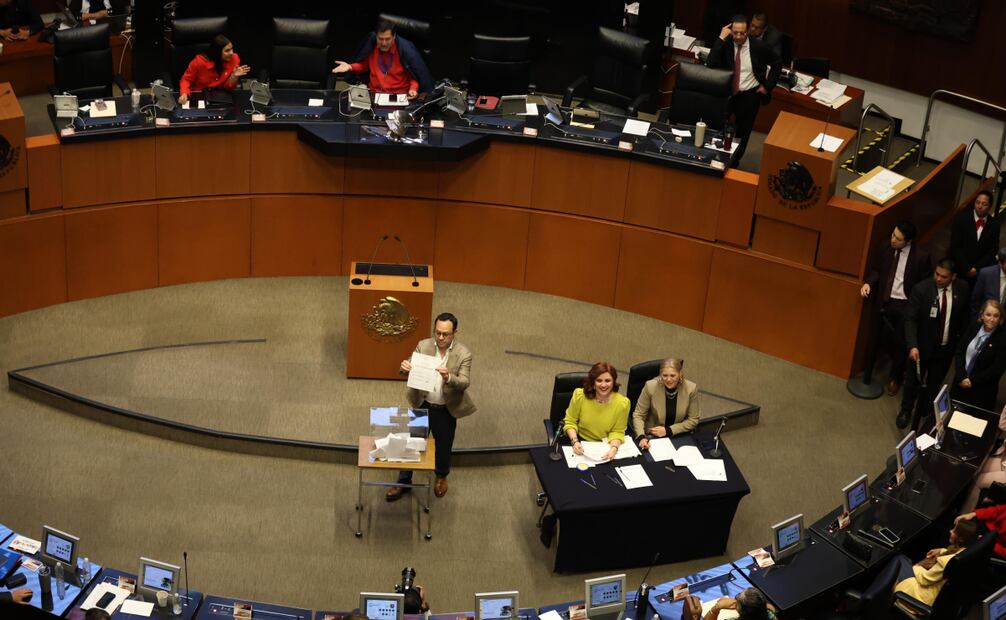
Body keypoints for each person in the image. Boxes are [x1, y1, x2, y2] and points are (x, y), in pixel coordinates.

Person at [389, 312, 475, 501]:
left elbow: (464, 382)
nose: (441, 338)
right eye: (438, 333)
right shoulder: (423, 345)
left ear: (455, 333)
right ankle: (404, 480)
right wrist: (404, 367)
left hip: (445, 409)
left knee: (444, 447)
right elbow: (408, 368)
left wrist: (448, 377)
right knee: (413, 443)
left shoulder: (464, 354)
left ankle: (441, 477)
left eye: (446, 334)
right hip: (423, 404)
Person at [899, 258, 970, 430]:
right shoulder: (921, 289)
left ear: (953, 277)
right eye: (936, 274)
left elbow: (963, 317)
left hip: (945, 349)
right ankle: (906, 410)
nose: (938, 278)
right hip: (920, 348)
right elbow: (910, 319)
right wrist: (912, 345)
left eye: (944, 276)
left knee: (934, 382)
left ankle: (925, 410)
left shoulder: (963, 288)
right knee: (912, 382)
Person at [860, 221, 930, 395]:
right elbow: (877, 269)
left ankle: (895, 378)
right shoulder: (886, 247)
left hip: (905, 303)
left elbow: (924, 285)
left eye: (898, 239)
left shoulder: (921, 257)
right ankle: (869, 373)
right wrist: (868, 283)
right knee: (878, 337)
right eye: (893, 235)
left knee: (900, 343)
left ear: (908, 241)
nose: (893, 240)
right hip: (884, 300)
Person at [706, 14, 781, 166]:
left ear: (748, 31)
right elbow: (711, 64)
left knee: (743, 132)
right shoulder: (726, 43)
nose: (739, 37)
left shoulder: (758, 46)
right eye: (735, 33)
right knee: (718, 126)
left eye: (742, 33)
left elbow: (777, 62)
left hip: (749, 95)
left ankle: (734, 163)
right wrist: (721, 37)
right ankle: (714, 158)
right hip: (727, 93)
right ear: (730, 31)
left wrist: (767, 86)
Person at [861, 520, 979, 608]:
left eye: (954, 531)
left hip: (922, 597)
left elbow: (924, 579)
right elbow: (954, 554)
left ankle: (869, 599)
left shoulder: (946, 562)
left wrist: (917, 567)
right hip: (943, 598)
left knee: (898, 560)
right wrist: (941, 551)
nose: (950, 531)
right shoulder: (970, 552)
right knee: (904, 560)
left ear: (961, 539)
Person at [331, 18, 434, 99]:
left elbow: (414, 76)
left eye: (387, 39)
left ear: (394, 37)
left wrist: (413, 89)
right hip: (374, 94)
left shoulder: (404, 51)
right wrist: (350, 67)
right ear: (376, 36)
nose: (384, 43)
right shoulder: (371, 45)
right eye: (380, 39)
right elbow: (365, 66)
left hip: (398, 96)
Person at [563, 362, 631, 461]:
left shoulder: (622, 404)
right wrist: (575, 441)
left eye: (607, 380)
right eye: (599, 380)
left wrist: (614, 448)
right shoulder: (580, 396)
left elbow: (617, 431)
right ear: (593, 382)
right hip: (579, 441)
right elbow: (570, 422)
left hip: (605, 445)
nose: (603, 385)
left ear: (613, 382)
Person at [951, 299, 1006, 411]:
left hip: (981, 391)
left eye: (996, 316)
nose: (991, 319)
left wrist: (971, 380)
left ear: (1000, 318)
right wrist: (961, 376)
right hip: (960, 382)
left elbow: (996, 370)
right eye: (988, 314)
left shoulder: (1003, 339)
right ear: (982, 315)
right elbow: (960, 351)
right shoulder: (974, 327)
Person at [632, 358, 700, 448]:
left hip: (678, 435)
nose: (668, 379)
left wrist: (669, 430)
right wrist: (641, 437)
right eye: (665, 375)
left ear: (680, 374)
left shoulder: (691, 389)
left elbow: (693, 419)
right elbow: (638, 415)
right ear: (660, 375)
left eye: (672, 376)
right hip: (652, 437)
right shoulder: (650, 387)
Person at [177, 35, 250, 106]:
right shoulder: (199, 62)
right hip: (200, 95)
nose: (231, 53)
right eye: (227, 51)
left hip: (221, 96)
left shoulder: (234, 59)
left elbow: (228, 88)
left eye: (232, 49)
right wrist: (184, 93)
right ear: (217, 52)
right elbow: (186, 80)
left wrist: (234, 76)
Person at [960, 404, 1006, 512]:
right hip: (1004, 457)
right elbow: (1002, 424)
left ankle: (964, 516)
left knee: (978, 480)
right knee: (977, 468)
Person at [949, 190, 998, 288]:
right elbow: (955, 246)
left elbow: (993, 249)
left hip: (980, 272)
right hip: (960, 269)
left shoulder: (994, 224)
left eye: (984, 204)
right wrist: (967, 268)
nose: (980, 206)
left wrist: (976, 268)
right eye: (978, 202)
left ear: (990, 206)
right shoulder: (961, 219)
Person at [970, 248, 1006, 319]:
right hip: (986, 321)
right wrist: (977, 320)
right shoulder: (986, 274)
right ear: (1000, 263)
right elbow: (975, 301)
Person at [703, 587, 776, 619]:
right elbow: (769, 607)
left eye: (738, 595)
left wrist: (716, 608)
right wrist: (741, 604)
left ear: (740, 610)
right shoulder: (770, 614)